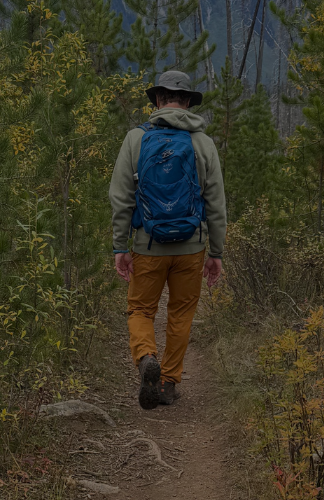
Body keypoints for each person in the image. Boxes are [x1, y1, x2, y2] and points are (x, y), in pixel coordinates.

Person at [109, 70, 226, 410]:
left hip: (148, 245)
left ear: (158, 100)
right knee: (181, 312)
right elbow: (216, 203)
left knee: (141, 309)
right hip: (192, 246)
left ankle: (146, 357)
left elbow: (121, 198)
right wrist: (215, 252)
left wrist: (120, 246)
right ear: (188, 102)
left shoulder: (135, 139)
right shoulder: (202, 143)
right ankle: (169, 383)